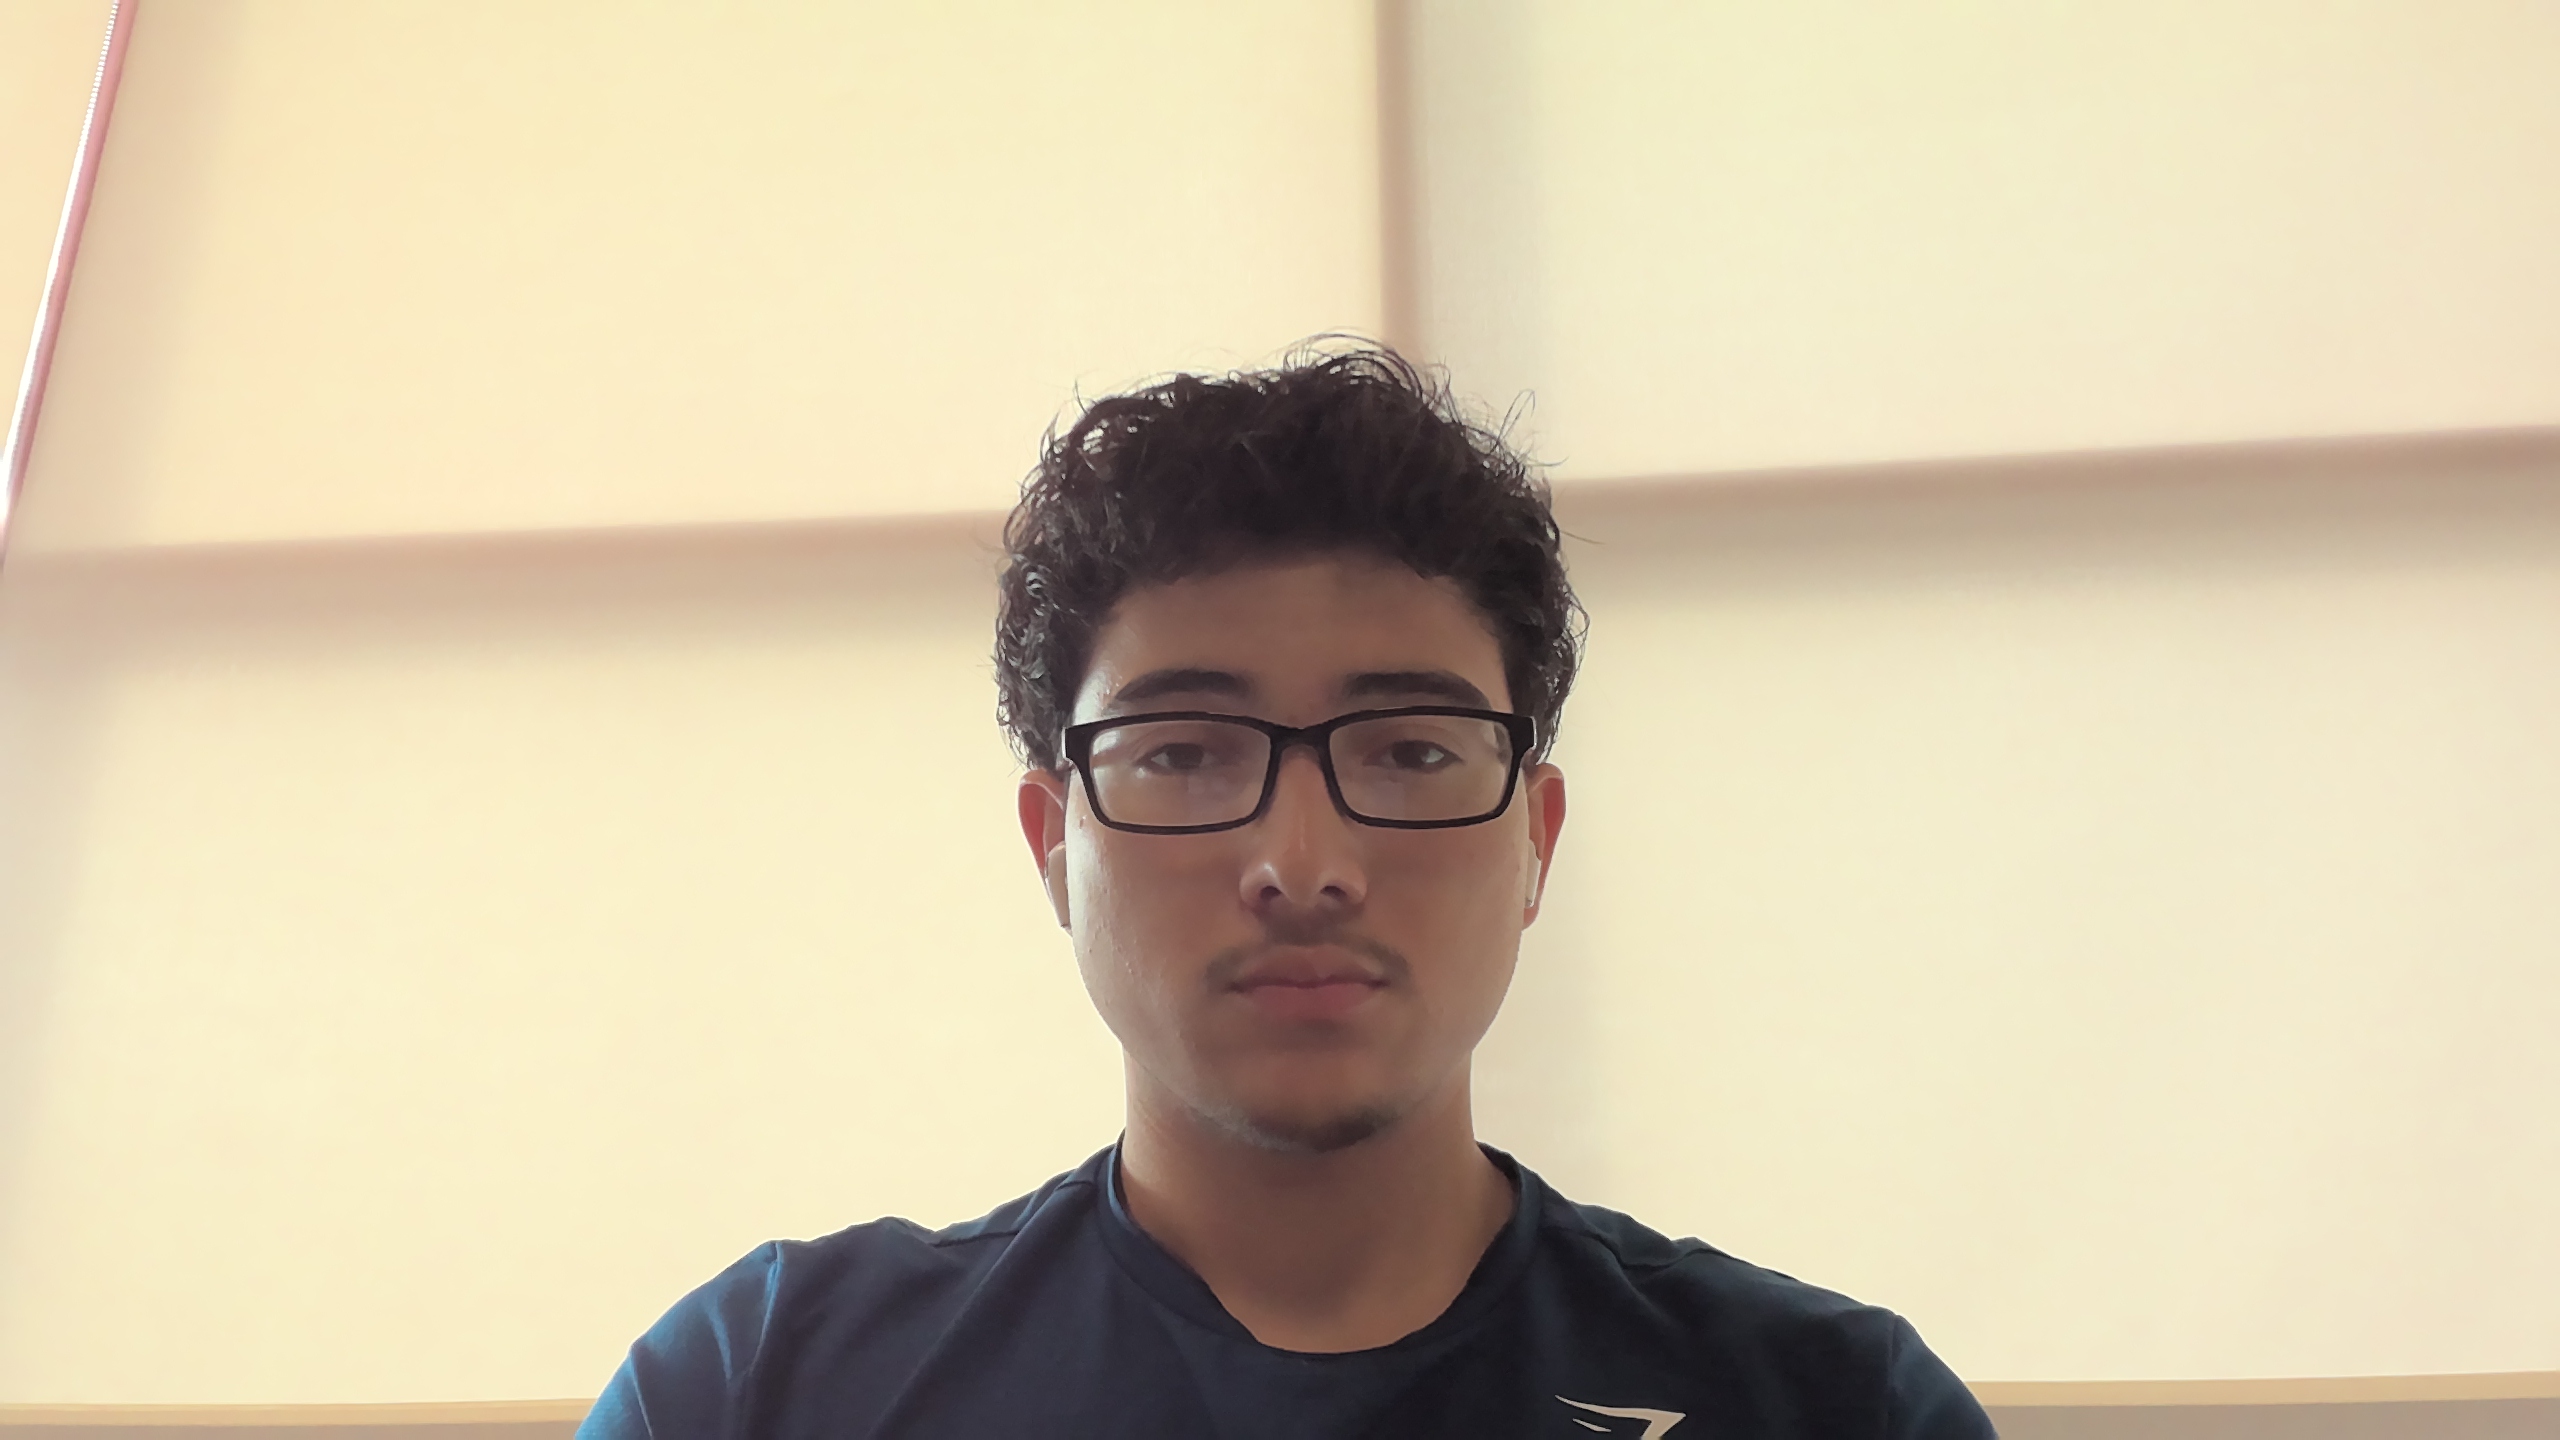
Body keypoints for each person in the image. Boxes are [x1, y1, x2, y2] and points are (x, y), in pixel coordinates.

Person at [578, 346, 1995, 1439]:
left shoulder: (1831, 1405)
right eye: (1185, 753)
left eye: (1413, 751)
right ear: (1054, 843)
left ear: (1537, 841)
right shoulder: (763, 1384)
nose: (1304, 864)